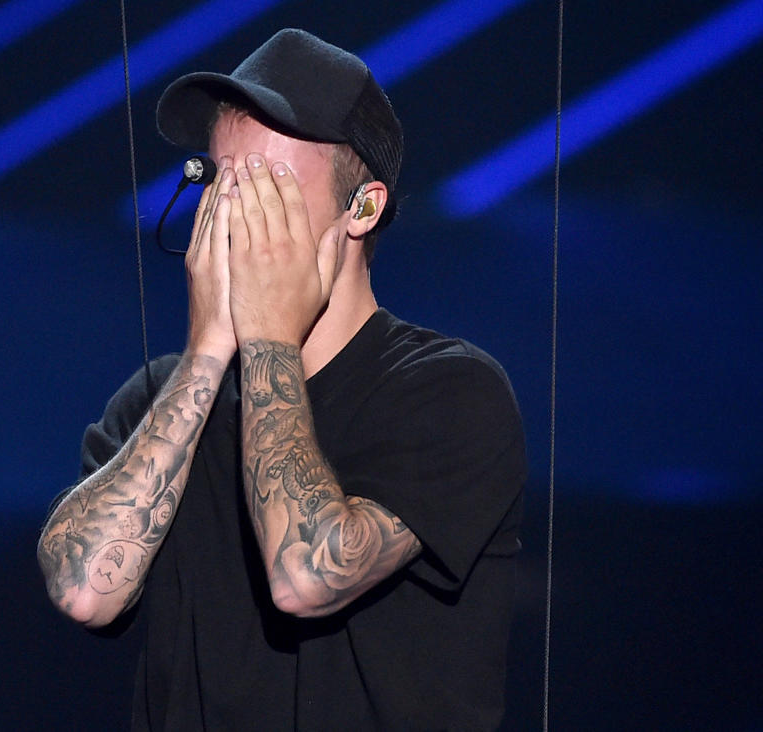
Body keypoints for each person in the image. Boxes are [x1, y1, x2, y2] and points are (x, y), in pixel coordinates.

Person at [38, 28, 526, 731]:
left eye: (269, 190)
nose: (236, 216)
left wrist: (269, 334)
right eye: (220, 181)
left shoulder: (450, 391)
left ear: (362, 208)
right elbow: (85, 592)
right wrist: (208, 348)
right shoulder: (160, 398)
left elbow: (308, 578)